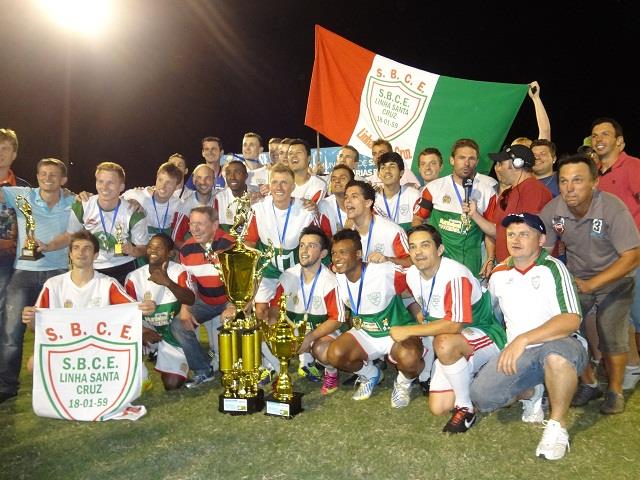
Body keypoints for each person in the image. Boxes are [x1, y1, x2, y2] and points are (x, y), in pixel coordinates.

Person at [471, 213, 585, 460]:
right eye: (511, 234)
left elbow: (572, 319)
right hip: (520, 352)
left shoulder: (554, 268)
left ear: (541, 239)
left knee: (556, 356)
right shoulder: (499, 273)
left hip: (560, 344)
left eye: (524, 234)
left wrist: (524, 339)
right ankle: (533, 392)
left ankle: (557, 426)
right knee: (482, 396)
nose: (515, 239)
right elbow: (490, 316)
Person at [539, 155, 640, 413]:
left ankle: (615, 391)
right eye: (563, 181)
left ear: (594, 183)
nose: (569, 188)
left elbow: (632, 255)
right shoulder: (553, 210)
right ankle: (590, 382)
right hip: (577, 278)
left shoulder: (612, 207)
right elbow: (545, 252)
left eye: (577, 181)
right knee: (567, 329)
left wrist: (592, 284)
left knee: (610, 328)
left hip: (616, 277)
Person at [389, 225, 506, 433]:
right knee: (438, 407)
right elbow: (405, 294)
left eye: (425, 245)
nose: (418, 252)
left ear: (440, 250)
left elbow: (454, 324)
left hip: (481, 332)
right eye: (413, 247)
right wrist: (416, 311)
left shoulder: (454, 274)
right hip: (449, 339)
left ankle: (466, 407)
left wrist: (410, 330)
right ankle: (472, 373)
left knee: (443, 343)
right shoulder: (412, 275)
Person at [0, 158, 73, 403]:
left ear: (63, 180)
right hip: (23, 272)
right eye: (43, 174)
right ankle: (7, 386)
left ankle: (62, 379)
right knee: (11, 331)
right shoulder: (22, 196)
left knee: (61, 332)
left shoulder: (73, 202)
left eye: (53, 175)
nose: (47, 178)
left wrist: (50, 246)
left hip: (58, 274)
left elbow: (71, 235)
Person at [327, 229, 423, 405]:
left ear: (358, 254)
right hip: (365, 333)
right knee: (334, 354)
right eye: (334, 253)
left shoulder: (383, 271)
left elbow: (415, 267)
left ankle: (402, 383)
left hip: (395, 332)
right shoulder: (337, 276)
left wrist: (389, 259)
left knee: (410, 360)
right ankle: (371, 374)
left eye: (343, 252)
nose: (337, 258)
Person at [589, 117, 640, 390]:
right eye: (595, 134)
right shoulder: (594, 172)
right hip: (602, 254)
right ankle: (628, 365)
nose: (599, 139)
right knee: (617, 313)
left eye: (605, 134)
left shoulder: (633, 167)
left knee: (630, 314)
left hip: (630, 253)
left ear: (620, 141)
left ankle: (631, 366)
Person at [268, 226, 345, 394]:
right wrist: (273, 324)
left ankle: (330, 372)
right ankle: (279, 373)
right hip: (293, 332)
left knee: (323, 351)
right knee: (262, 335)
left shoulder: (331, 281)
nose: (304, 250)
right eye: (302, 245)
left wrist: (309, 337)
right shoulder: (287, 276)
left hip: (320, 334)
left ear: (323, 253)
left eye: (312, 246)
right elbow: (274, 307)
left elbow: (337, 319)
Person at [46, 162, 148, 286]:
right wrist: (47, 246)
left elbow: (143, 249)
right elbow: (69, 236)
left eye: (110, 182)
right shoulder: (83, 205)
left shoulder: (134, 212)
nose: (104, 187)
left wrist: (132, 250)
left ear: (121, 187)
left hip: (124, 268)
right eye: (100, 181)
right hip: (91, 267)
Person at [243, 163, 321, 321]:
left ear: (293, 187)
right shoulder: (258, 209)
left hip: (294, 269)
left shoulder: (306, 210)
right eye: (275, 182)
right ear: (269, 185)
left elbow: (318, 243)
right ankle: (265, 346)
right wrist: (247, 280)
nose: (279, 187)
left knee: (281, 315)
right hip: (267, 268)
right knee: (260, 314)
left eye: (284, 182)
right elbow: (249, 243)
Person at [412, 138, 497, 277]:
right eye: (461, 158)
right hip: (438, 263)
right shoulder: (433, 188)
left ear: (476, 161)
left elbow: (494, 232)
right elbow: (417, 218)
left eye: (471, 158)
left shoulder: (488, 192)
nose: (467, 163)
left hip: (471, 264)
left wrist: (490, 257)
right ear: (452, 160)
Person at [172, 206, 236, 388]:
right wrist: (186, 309)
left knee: (237, 322)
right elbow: (189, 284)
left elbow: (241, 283)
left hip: (229, 300)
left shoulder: (229, 245)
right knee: (178, 324)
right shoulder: (186, 250)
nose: (195, 228)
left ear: (215, 225)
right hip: (205, 301)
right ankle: (203, 369)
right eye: (192, 224)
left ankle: (244, 367)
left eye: (200, 224)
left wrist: (233, 306)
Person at [125, 234, 196, 390]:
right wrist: (142, 331)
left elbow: (190, 300)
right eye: (150, 246)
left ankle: (162, 353)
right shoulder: (134, 277)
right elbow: (125, 313)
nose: (152, 251)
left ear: (170, 253)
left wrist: (168, 282)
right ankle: (149, 357)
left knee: (172, 384)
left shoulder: (179, 272)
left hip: (173, 333)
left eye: (159, 247)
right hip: (148, 330)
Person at [470, 144, 552, 267]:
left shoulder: (534, 190)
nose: (497, 169)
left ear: (517, 164)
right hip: (507, 267)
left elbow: (530, 236)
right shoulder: (507, 194)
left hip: (526, 269)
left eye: (501, 164)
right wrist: (474, 215)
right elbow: (497, 231)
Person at [0, 129, 30, 401]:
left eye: (5, 149)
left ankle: (7, 385)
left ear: (14, 154)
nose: (1, 154)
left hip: (14, 265)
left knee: (11, 326)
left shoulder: (22, 189)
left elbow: (32, 224)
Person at [344, 180, 411, 267]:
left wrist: (388, 259)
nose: (348, 201)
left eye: (354, 196)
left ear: (368, 203)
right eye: (346, 197)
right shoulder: (347, 232)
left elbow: (411, 262)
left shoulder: (393, 231)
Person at [123, 162, 183, 237]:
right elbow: (113, 204)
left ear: (176, 186)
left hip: (162, 246)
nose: (163, 186)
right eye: (160, 180)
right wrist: (127, 202)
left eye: (169, 183)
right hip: (136, 246)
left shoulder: (179, 205)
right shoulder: (137, 196)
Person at [373, 152, 420, 231]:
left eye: (392, 166)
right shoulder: (372, 199)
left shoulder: (414, 195)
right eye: (383, 167)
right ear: (378, 174)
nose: (387, 170)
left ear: (401, 172)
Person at [173, 164, 215, 248]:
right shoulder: (184, 207)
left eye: (208, 178)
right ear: (193, 180)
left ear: (214, 180)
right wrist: (195, 253)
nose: (203, 182)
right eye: (199, 178)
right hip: (197, 254)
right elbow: (176, 240)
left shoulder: (221, 198)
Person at [212, 160, 251, 234]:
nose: (232, 177)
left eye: (237, 173)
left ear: (246, 176)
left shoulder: (257, 194)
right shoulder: (219, 198)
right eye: (228, 173)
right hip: (227, 242)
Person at [318, 164, 354, 235]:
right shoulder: (324, 205)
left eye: (342, 178)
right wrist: (346, 230)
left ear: (352, 182)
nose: (337, 181)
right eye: (333, 179)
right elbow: (325, 239)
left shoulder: (361, 203)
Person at [288, 138, 327, 203]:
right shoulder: (282, 183)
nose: (293, 156)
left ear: (309, 158)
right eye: (290, 153)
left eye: (298, 152)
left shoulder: (319, 184)